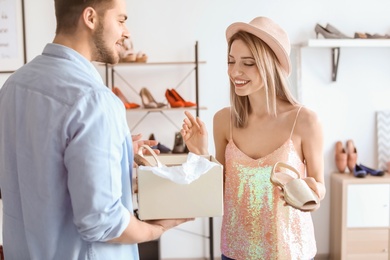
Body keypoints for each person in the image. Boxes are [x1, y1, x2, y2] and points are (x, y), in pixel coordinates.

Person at [0, 0, 192, 259]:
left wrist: (117, 153)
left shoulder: (14, 86)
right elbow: (103, 222)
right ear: (90, 18)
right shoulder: (95, 101)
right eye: (121, 20)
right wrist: (157, 229)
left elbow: (29, 170)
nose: (127, 32)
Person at [181, 16, 326, 260]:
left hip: (290, 252)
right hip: (236, 250)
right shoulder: (223, 121)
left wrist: (313, 190)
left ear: (271, 66)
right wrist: (199, 154)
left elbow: (319, 186)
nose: (235, 71)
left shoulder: (305, 121)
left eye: (248, 63)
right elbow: (220, 193)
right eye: (231, 61)